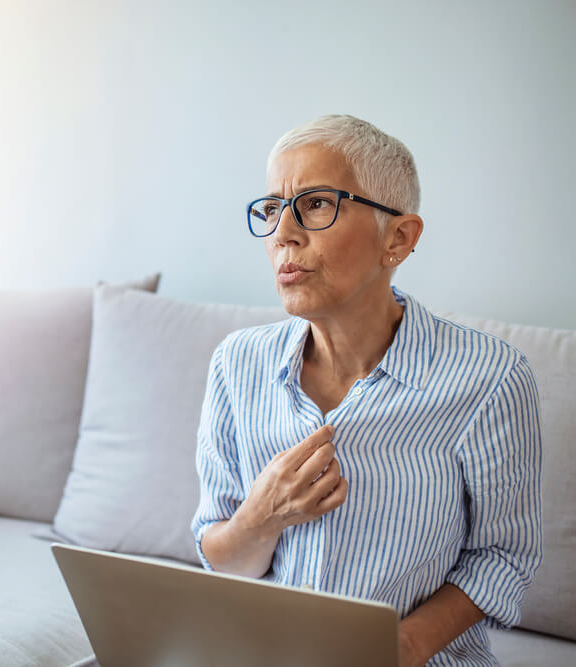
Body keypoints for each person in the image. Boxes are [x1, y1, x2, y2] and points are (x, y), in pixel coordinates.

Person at [190, 115, 542, 667]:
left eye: (314, 204)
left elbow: (503, 557)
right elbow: (220, 556)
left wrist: (402, 646)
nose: (282, 233)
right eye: (270, 209)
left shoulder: (490, 378)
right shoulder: (237, 365)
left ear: (398, 238)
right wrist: (259, 520)